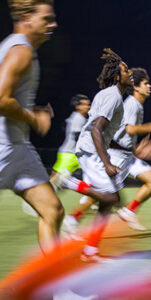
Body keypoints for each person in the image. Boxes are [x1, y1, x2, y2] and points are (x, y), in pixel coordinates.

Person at [62, 68, 151, 232]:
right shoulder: (131, 104)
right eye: (146, 83)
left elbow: (124, 134)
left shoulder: (137, 105)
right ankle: (73, 217)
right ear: (136, 87)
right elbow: (129, 128)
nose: (149, 86)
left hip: (127, 155)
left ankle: (128, 211)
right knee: (104, 196)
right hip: (116, 156)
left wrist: (137, 149)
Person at [0, 0, 64, 253]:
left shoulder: (19, 49)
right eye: (47, 19)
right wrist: (33, 118)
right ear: (27, 18)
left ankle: (55, 289)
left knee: (53, 211)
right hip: (4, 148)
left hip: (18, 149)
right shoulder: (21, 51)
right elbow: (2, 99)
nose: (53, 24)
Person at [75, 48, 134, 262]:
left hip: (91, 149)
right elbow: (96, 129)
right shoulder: (113, 97)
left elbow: (105, 131)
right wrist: (106, 162)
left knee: (110, 201)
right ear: (117, 76)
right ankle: (71, 183)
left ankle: (90, 250)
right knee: (111, 197)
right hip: (91, 151)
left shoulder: (110, 95)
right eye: (126, 70)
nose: (131, 73)